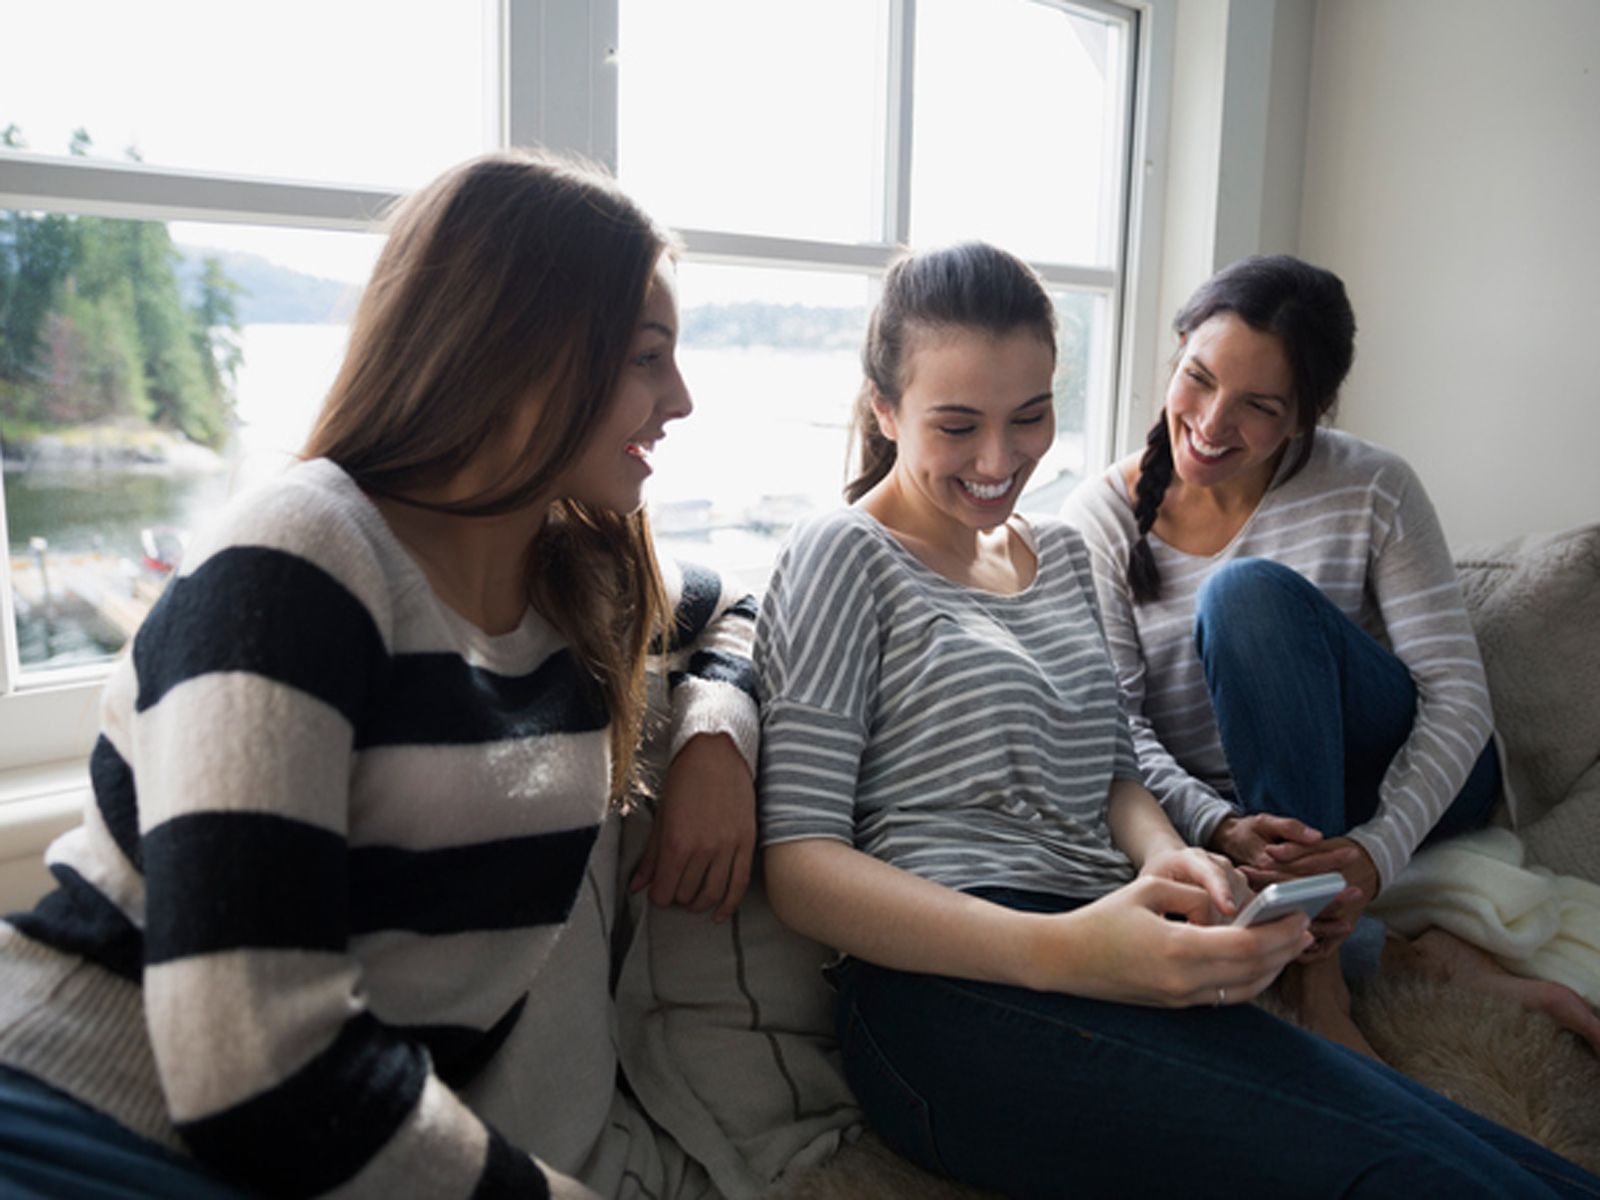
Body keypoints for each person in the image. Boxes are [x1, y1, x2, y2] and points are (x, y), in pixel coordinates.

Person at [753, 241, 1600, 1197]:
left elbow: (1115, 767)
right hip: (951, 995)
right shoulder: (843, 553)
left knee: (1458, 1144)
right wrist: (1068, 951)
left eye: (1030, 417)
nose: (999, 462)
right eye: (957, 426)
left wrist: (1166, 859)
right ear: (882, 409)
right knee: (1395, 1170)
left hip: (1116, 947)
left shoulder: (1065, 556)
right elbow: (800, 866)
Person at [0, 150, 759, 1199]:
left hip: (320, 1155)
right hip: (93, 1121)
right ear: (519, 350)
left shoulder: (578, 582)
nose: (679, 397)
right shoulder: (302, 558)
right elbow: (254, 1063)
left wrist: (716, 735)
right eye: (646, 356)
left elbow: (738, 613)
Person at [1060, 253, 1600, 1057]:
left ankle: (1318, 984)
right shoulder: (1099, 519)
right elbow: (1118, 728)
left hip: (1389, 773)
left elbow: (1457, 697)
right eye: (1198, 379)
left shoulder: (1372, 484)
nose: (1210, 425)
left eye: (1257, 405)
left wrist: (1374, 857)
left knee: (1243, 595)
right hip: (1240, 807)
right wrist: (1218, 825)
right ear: (1176, 354)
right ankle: (1412, 959)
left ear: (1306, 416)